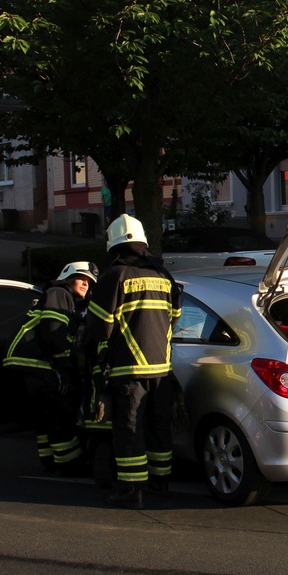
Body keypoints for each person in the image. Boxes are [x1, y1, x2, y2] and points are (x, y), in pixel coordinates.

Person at [86, 214, 182, 508]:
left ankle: (130, 489)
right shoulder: (163, 275)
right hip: (162, 370)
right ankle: (161, 482)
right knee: (159, 427)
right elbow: (174, 319)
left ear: (113, 245)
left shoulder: (115, 276)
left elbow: (100, 327)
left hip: (128, 369)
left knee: (129, 430)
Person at [2, 261, 98, 474]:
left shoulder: (66, 300)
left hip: (27, 361)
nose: (86, 284)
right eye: (82, 279)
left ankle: (50, 460)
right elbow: (53, 331)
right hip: (35, 362)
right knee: (59, 413)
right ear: (68, 278)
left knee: (45, 415)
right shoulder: (59, 293)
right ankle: (69, 464)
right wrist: (64, 365)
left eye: (90, 282)